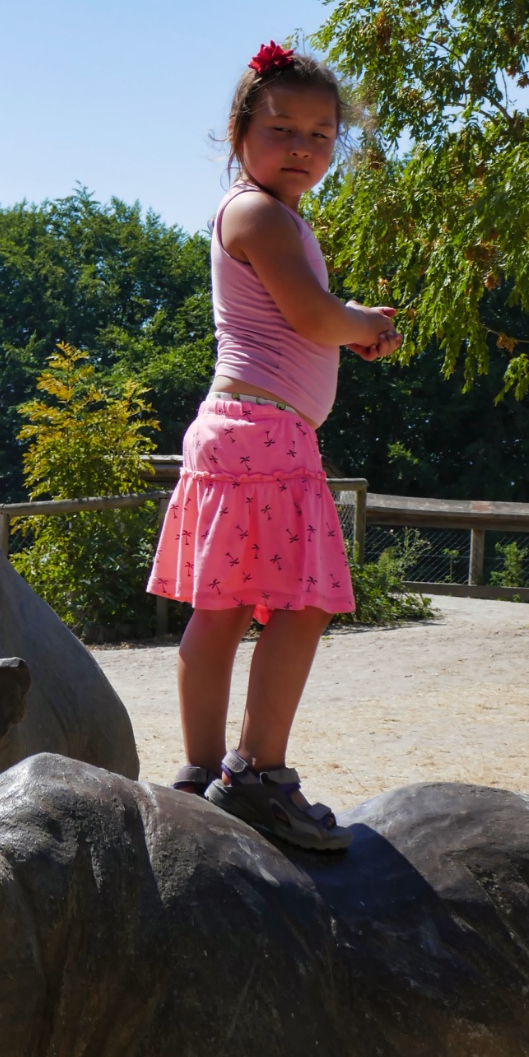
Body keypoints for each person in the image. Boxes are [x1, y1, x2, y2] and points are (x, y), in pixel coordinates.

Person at [148, 41, 402, 852]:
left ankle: (198, 772)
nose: (302, 146)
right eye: (282, 127)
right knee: (306, 603)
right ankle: (259, 774)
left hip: (233, 429)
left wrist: (341, 316)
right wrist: (363, 325)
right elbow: (311, 317)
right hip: (266, 437)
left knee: (219, 609)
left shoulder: (263, 216)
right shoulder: (258, 212)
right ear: (238, 131)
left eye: (322, 135)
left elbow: (303, 308)